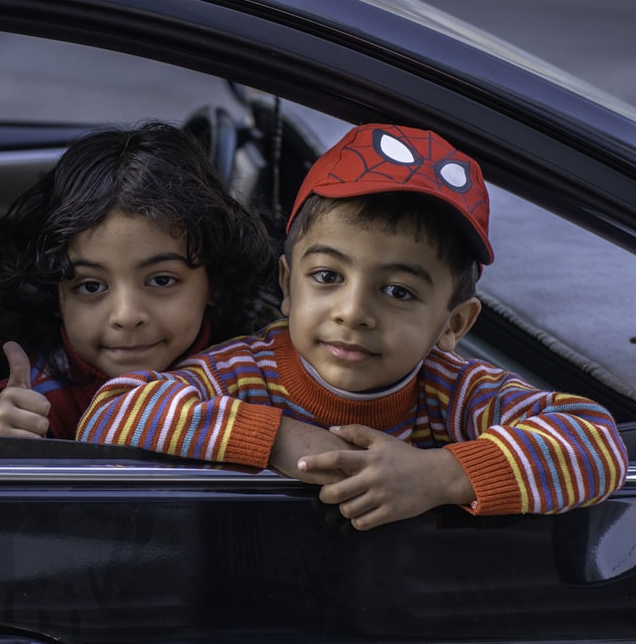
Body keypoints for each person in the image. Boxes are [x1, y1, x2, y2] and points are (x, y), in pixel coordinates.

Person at [76, 123, 629, 530]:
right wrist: (276, 439)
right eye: (327, 276)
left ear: (452, 324)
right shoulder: (242, 374)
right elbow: (110, 413)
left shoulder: (452, 392)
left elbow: (598, 443)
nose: (353, 311)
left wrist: (439, 475)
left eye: (398, 291)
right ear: (289, 286)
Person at [0, 121, 280, 439]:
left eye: (161, 280)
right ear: (54, 294)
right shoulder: (38, 404)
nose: (126, 316)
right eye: (91, 286)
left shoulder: (257, 374)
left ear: (214, 282)